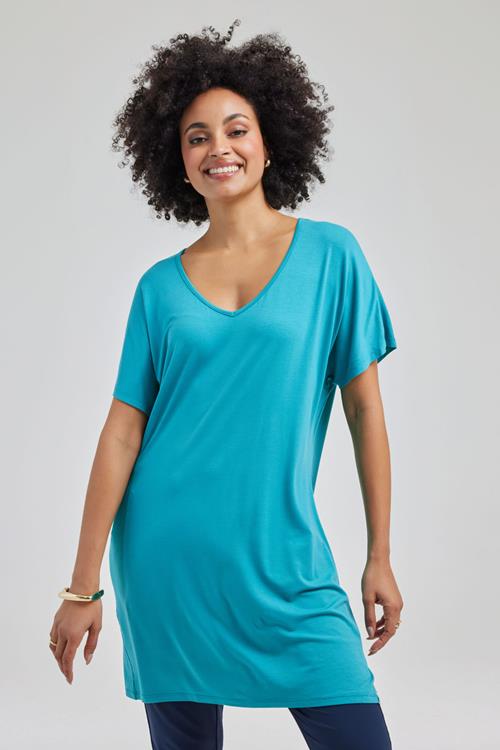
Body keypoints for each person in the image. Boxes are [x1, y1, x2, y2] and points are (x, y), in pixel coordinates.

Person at [49, 19, 404, 750]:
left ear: (270, 142)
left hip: (285, 562)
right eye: (197, 137)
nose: (220, 148)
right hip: (166, 560)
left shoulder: (333, 256)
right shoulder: (158, 290)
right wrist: (82, 587)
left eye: (237, 129)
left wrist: (379, 554)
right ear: (177, 162)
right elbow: (122, 433)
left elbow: (365, 412)